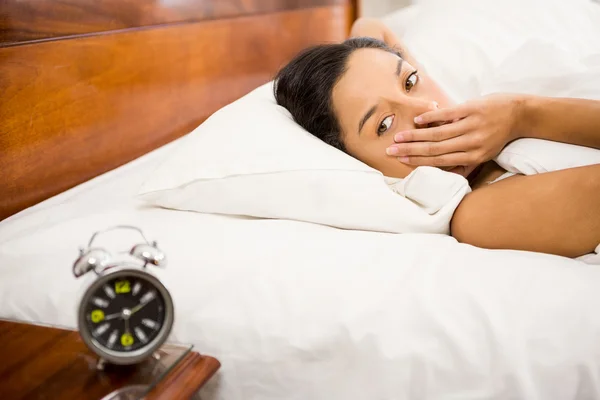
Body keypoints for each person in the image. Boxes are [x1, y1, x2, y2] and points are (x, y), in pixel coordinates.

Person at [274, 18, 600, 258]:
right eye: (385, 124)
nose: (425, 110)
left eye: (410, 81)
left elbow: (371, 25)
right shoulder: (479, 215)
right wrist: (524, 115)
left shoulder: (492, 107)